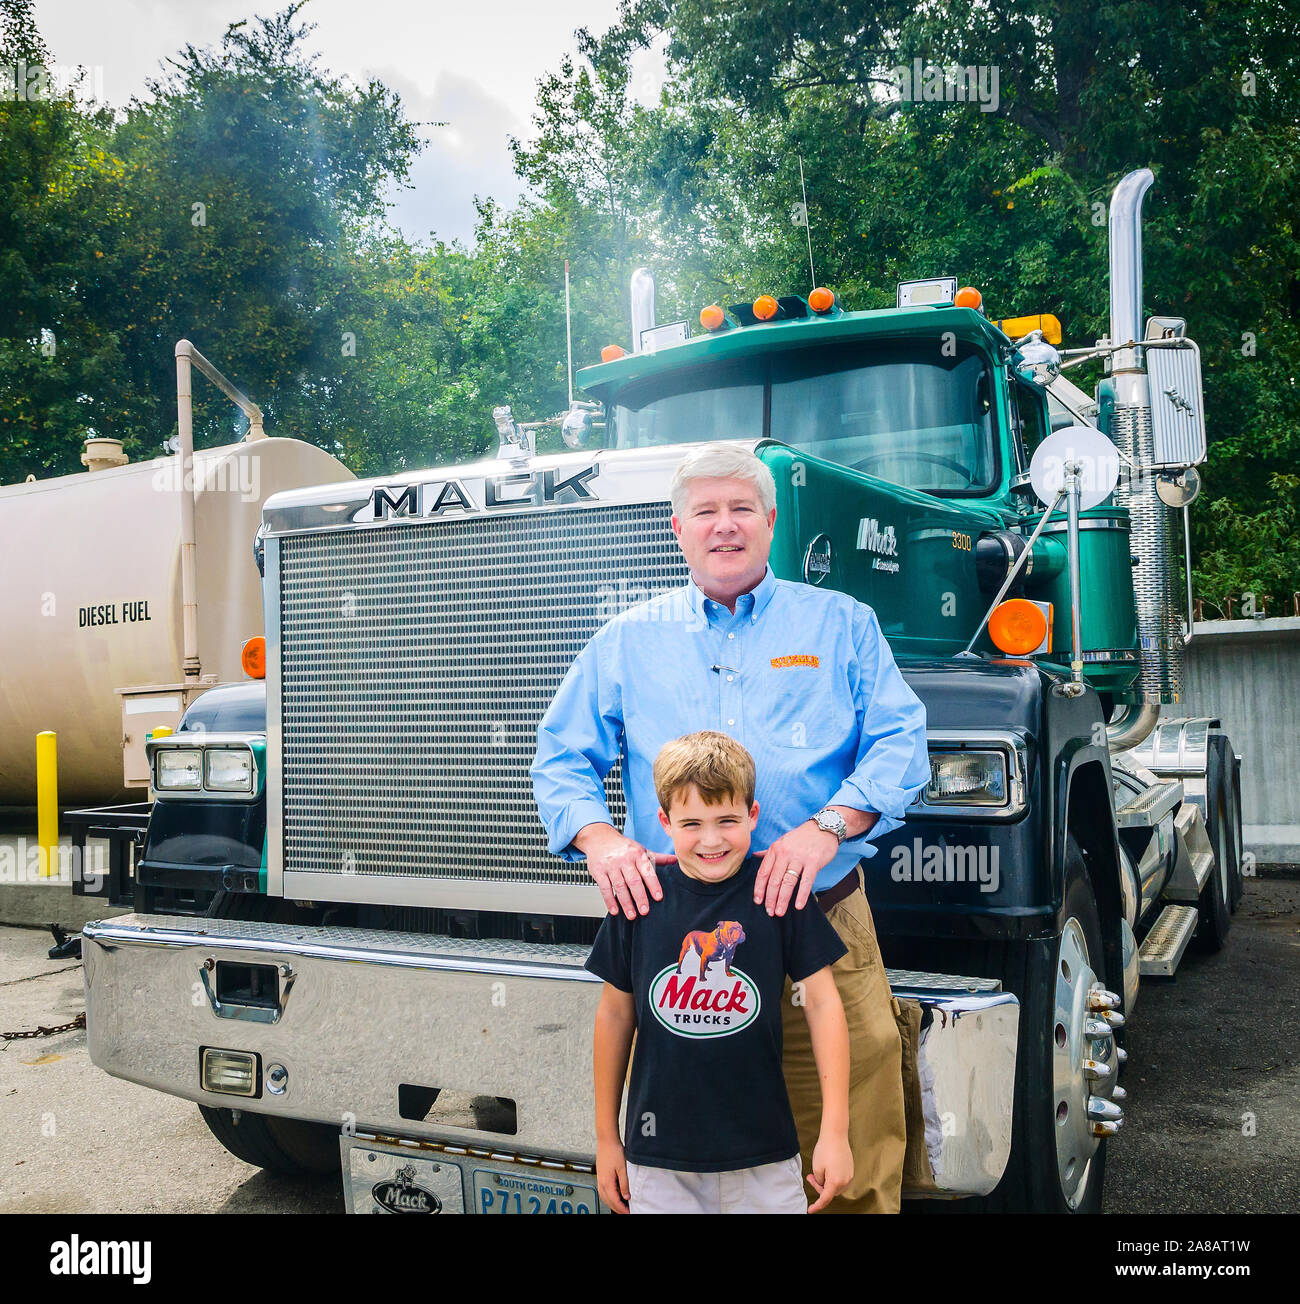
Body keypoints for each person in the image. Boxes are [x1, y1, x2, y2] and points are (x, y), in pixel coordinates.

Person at [531, 442, 930, 1213]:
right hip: (679, 937)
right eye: (705, 512)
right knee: (694, 1154)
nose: (724, 526)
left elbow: (901, 742)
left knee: (847, 1155)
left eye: (741, 508)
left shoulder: (843, 624)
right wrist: (600, 838)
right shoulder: (626, 640)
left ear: (771, 522)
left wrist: (829, 826)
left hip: (820, 915)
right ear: (675, 529)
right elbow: (560, 757)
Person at [588, 731, 852, 1214]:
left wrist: (835, 1133)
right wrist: (607, 1139)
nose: (711, 840)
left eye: (727, 820)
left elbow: (822, 1003)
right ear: (664, 822)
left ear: (753, 815)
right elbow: (613, 1017)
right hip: (659, 1160)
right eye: (692, 823)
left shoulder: (778, 894)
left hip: (765, 1159)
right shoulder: (637, 900)